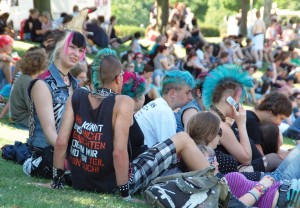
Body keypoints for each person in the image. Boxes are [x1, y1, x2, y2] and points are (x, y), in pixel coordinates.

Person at [51, 48, 210, 201]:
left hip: (82, 178)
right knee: (182, 138)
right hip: (115, 183)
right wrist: (124, 194)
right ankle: (219, 183)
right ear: (118, 78)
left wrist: (57, 180)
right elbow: (119, 152)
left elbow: (61, 141)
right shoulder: (122, 102)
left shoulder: (78, 95)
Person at [23, 30, 87, 178]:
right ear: (58, 47)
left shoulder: (76, 86)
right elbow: (51, 132)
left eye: (81, 50)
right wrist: (70, 159)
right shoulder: (42, 84)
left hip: (71, 154)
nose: (76, 54)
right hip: (45, 157)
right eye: (72, 47)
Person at [202, 65, 281, 173]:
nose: (239, 104)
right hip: (231, 180)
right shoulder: (220, 126)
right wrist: (241, 124)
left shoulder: (209, 116)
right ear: (229, 99)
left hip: (230, 175)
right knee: (273, 159)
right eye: (238, 100)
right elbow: (246, 158)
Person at [135, 70, 194, 147]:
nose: (191, 98)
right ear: (173, 93)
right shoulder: (164, 112)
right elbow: (169, 153)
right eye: (187, 93)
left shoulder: (159, 105)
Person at [232, 91, 292, 157]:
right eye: (281, 118)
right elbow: (260, 158)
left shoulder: (251, 116)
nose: (280, 123)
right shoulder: (252, 121)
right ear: (271, 111)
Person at [10, 48, 47, 129]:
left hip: (20, 117)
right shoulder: (28, 81)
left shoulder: (25, 77)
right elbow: (32, 107)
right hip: (22, 120)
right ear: (40, 66)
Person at [121, 71, 148, 160]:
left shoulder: (122, 111)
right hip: (135, 165)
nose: (144, 96)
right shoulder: (127, 116)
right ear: (137, 96)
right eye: (143, 93)